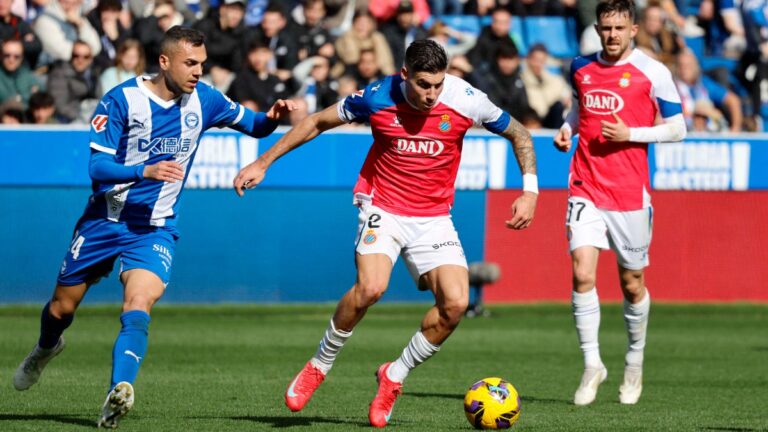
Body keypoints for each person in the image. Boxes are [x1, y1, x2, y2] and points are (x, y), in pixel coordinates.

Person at [233, 39, 538, 428]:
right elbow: (315, 122)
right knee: (371, 288)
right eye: (424, 84)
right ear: (405, 74)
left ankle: (394, 375)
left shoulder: (465, 98)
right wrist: (263, 162)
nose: (431, 94)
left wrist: (529, 192)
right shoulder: (377, 96)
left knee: (456, 304)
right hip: (383, 206)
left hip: (433, 217)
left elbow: (521, 135)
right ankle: (319, 364)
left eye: (438, 85)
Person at [12, 26, 294, 428]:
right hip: (103, 221)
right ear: (164, 62)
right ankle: (44, 348)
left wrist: (271, 118)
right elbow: (96, 166)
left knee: (138, 304)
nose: (198, 71)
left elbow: (255, 125)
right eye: (190, 63)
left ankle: (117, 392)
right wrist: (143, 170)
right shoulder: (122, 100)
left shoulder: (207, 99)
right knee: (61, 308)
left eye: (202, 63)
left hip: (154, 228)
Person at [553, 0, 686, 406]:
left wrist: (632, 134)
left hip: (629, 193)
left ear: (632, 30)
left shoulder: (653, 71)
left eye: (619, 28)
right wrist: (566, 128)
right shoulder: (580, 67)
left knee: (632, 285)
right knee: (582, 274)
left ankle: (634, 360)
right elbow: (580, 108)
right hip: (585, 184)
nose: (611, 35)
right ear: (597, 28)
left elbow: (678, 128)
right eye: (605, 28)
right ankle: (593, 364)